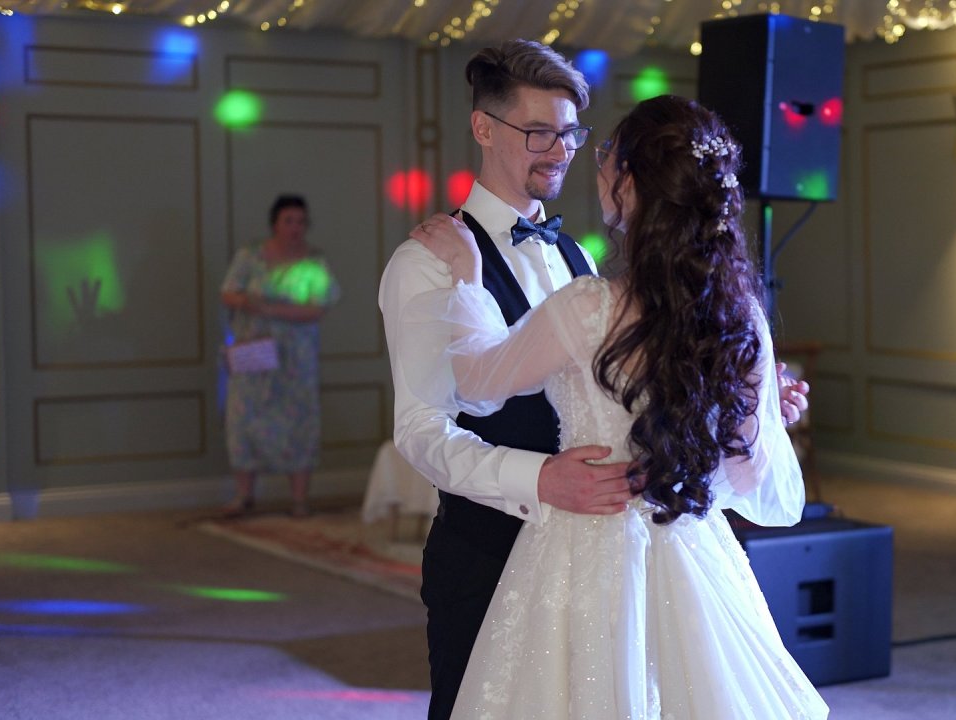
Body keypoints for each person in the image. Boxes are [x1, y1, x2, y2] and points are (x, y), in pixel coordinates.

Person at [406, 95, 828, 719]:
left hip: (584, 551)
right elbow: (748, 477)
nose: (594, 164)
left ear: (629, 185)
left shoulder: (590, 307)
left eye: (605, 154)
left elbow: (475, 382)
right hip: (693, 548)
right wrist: (740, 424)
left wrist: (468, 278)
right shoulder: (742, 317)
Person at [378, 40, 636, 720]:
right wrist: (540, 478)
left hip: (592, 551)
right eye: (539, 133)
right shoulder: (424, 264)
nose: (560, 150)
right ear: (484, 128)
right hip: (486, 554)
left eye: (570, 133)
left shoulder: (576, 252)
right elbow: (420, 429)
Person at [220, 194, 341, 518]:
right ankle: (244, 495)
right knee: (244, 419)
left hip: (296, 358)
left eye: (301, 221)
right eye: (289, 221)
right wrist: (251, 304)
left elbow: (318, 307)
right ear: (275, 223)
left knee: (299, 422)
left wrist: (270, 307)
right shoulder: (251, 256)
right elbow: (228, 292)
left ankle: (299, 499)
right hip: (254, 352)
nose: (295, 228)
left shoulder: (314, 262)